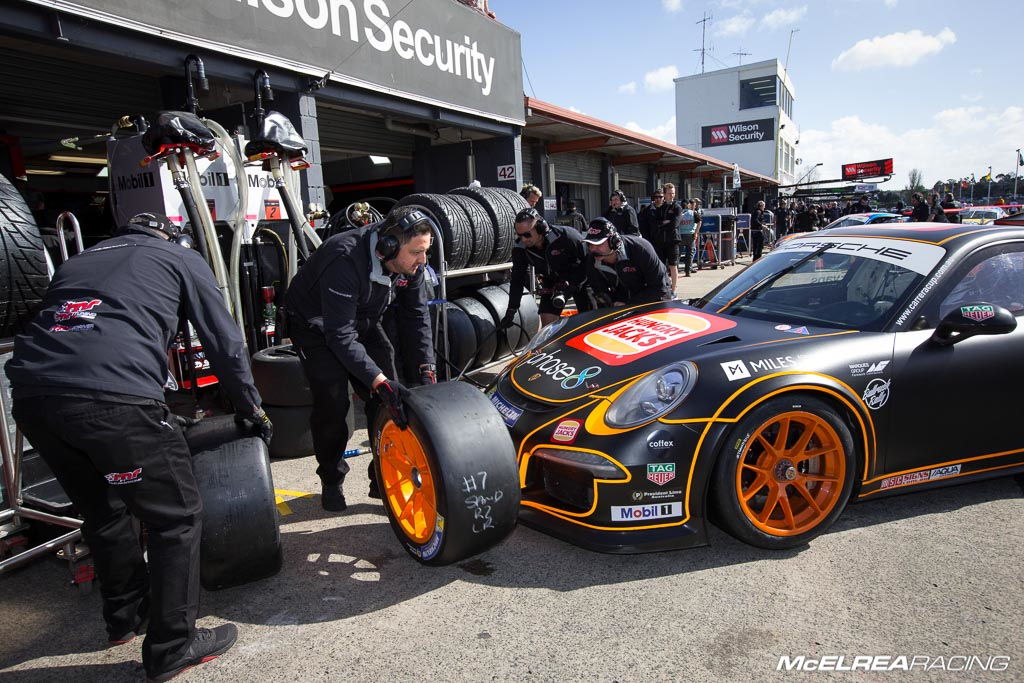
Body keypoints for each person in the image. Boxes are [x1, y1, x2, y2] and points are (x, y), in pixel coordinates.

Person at [5, 212, 269, 682]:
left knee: (105, 510)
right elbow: (224, 341)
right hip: (112, 401)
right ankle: (173, 645)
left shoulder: (80, 260)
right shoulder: (179, 257)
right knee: (177, 517)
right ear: (173, 237)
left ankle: (124, 617)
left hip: (34, 400)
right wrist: (251, 408)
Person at [286, 206, 435, 511]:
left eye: (426, 251)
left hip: (364, 319)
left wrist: (426, 369)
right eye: (417, 252)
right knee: (334, 402)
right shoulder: (344, 257)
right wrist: (376, 381)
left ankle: (381, 478)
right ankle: (331, 478)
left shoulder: (411, 266)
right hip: (316, 327)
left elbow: (416, 316)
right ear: (388, 246)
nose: (423, 260)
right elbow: (339, 335)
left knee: (389, 398)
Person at [500, 207, 593, 328]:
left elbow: (589, 263)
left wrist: (573, 286)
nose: (523, 239)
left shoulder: (567, 236)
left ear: (540, 228)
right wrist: (511, 309)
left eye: (527, 235)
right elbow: (517, 279)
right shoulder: (520, 248)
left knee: (590, 321)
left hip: (580, 278)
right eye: (520, 235)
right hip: (552, 281)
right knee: (547, 324)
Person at [583, 218, 670, 307]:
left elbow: (660, 287)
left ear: (614, 242)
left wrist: (629, 304)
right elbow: (599, 291)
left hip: (654, 296)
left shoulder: (641, 249)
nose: (593, 249)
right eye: (590, 244)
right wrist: (610, 303)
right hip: (622, 299)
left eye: (598, 244)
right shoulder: (592, 259)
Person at [656, 183, 683, 290]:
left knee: (673, 265)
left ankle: (673, 288)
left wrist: (664, 223)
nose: (672, 195)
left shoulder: (677, 207)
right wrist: (664, 223)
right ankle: (664, 287)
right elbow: (656, 223)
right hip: (661, 241)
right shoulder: (660, 208)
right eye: (669, 193)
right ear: (665, 194)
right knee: (661, 266)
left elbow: (674, 224)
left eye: (673, 193)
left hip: (673, 241)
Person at [677, 198, 697, 277]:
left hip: (680, 235)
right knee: (689, 254)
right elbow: (699, 222)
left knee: (678, 254)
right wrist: (696, 233)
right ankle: (688, 271)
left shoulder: (679, 213)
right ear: (688, 205)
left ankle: (674, 270)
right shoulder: (693, 213)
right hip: (690, 235)